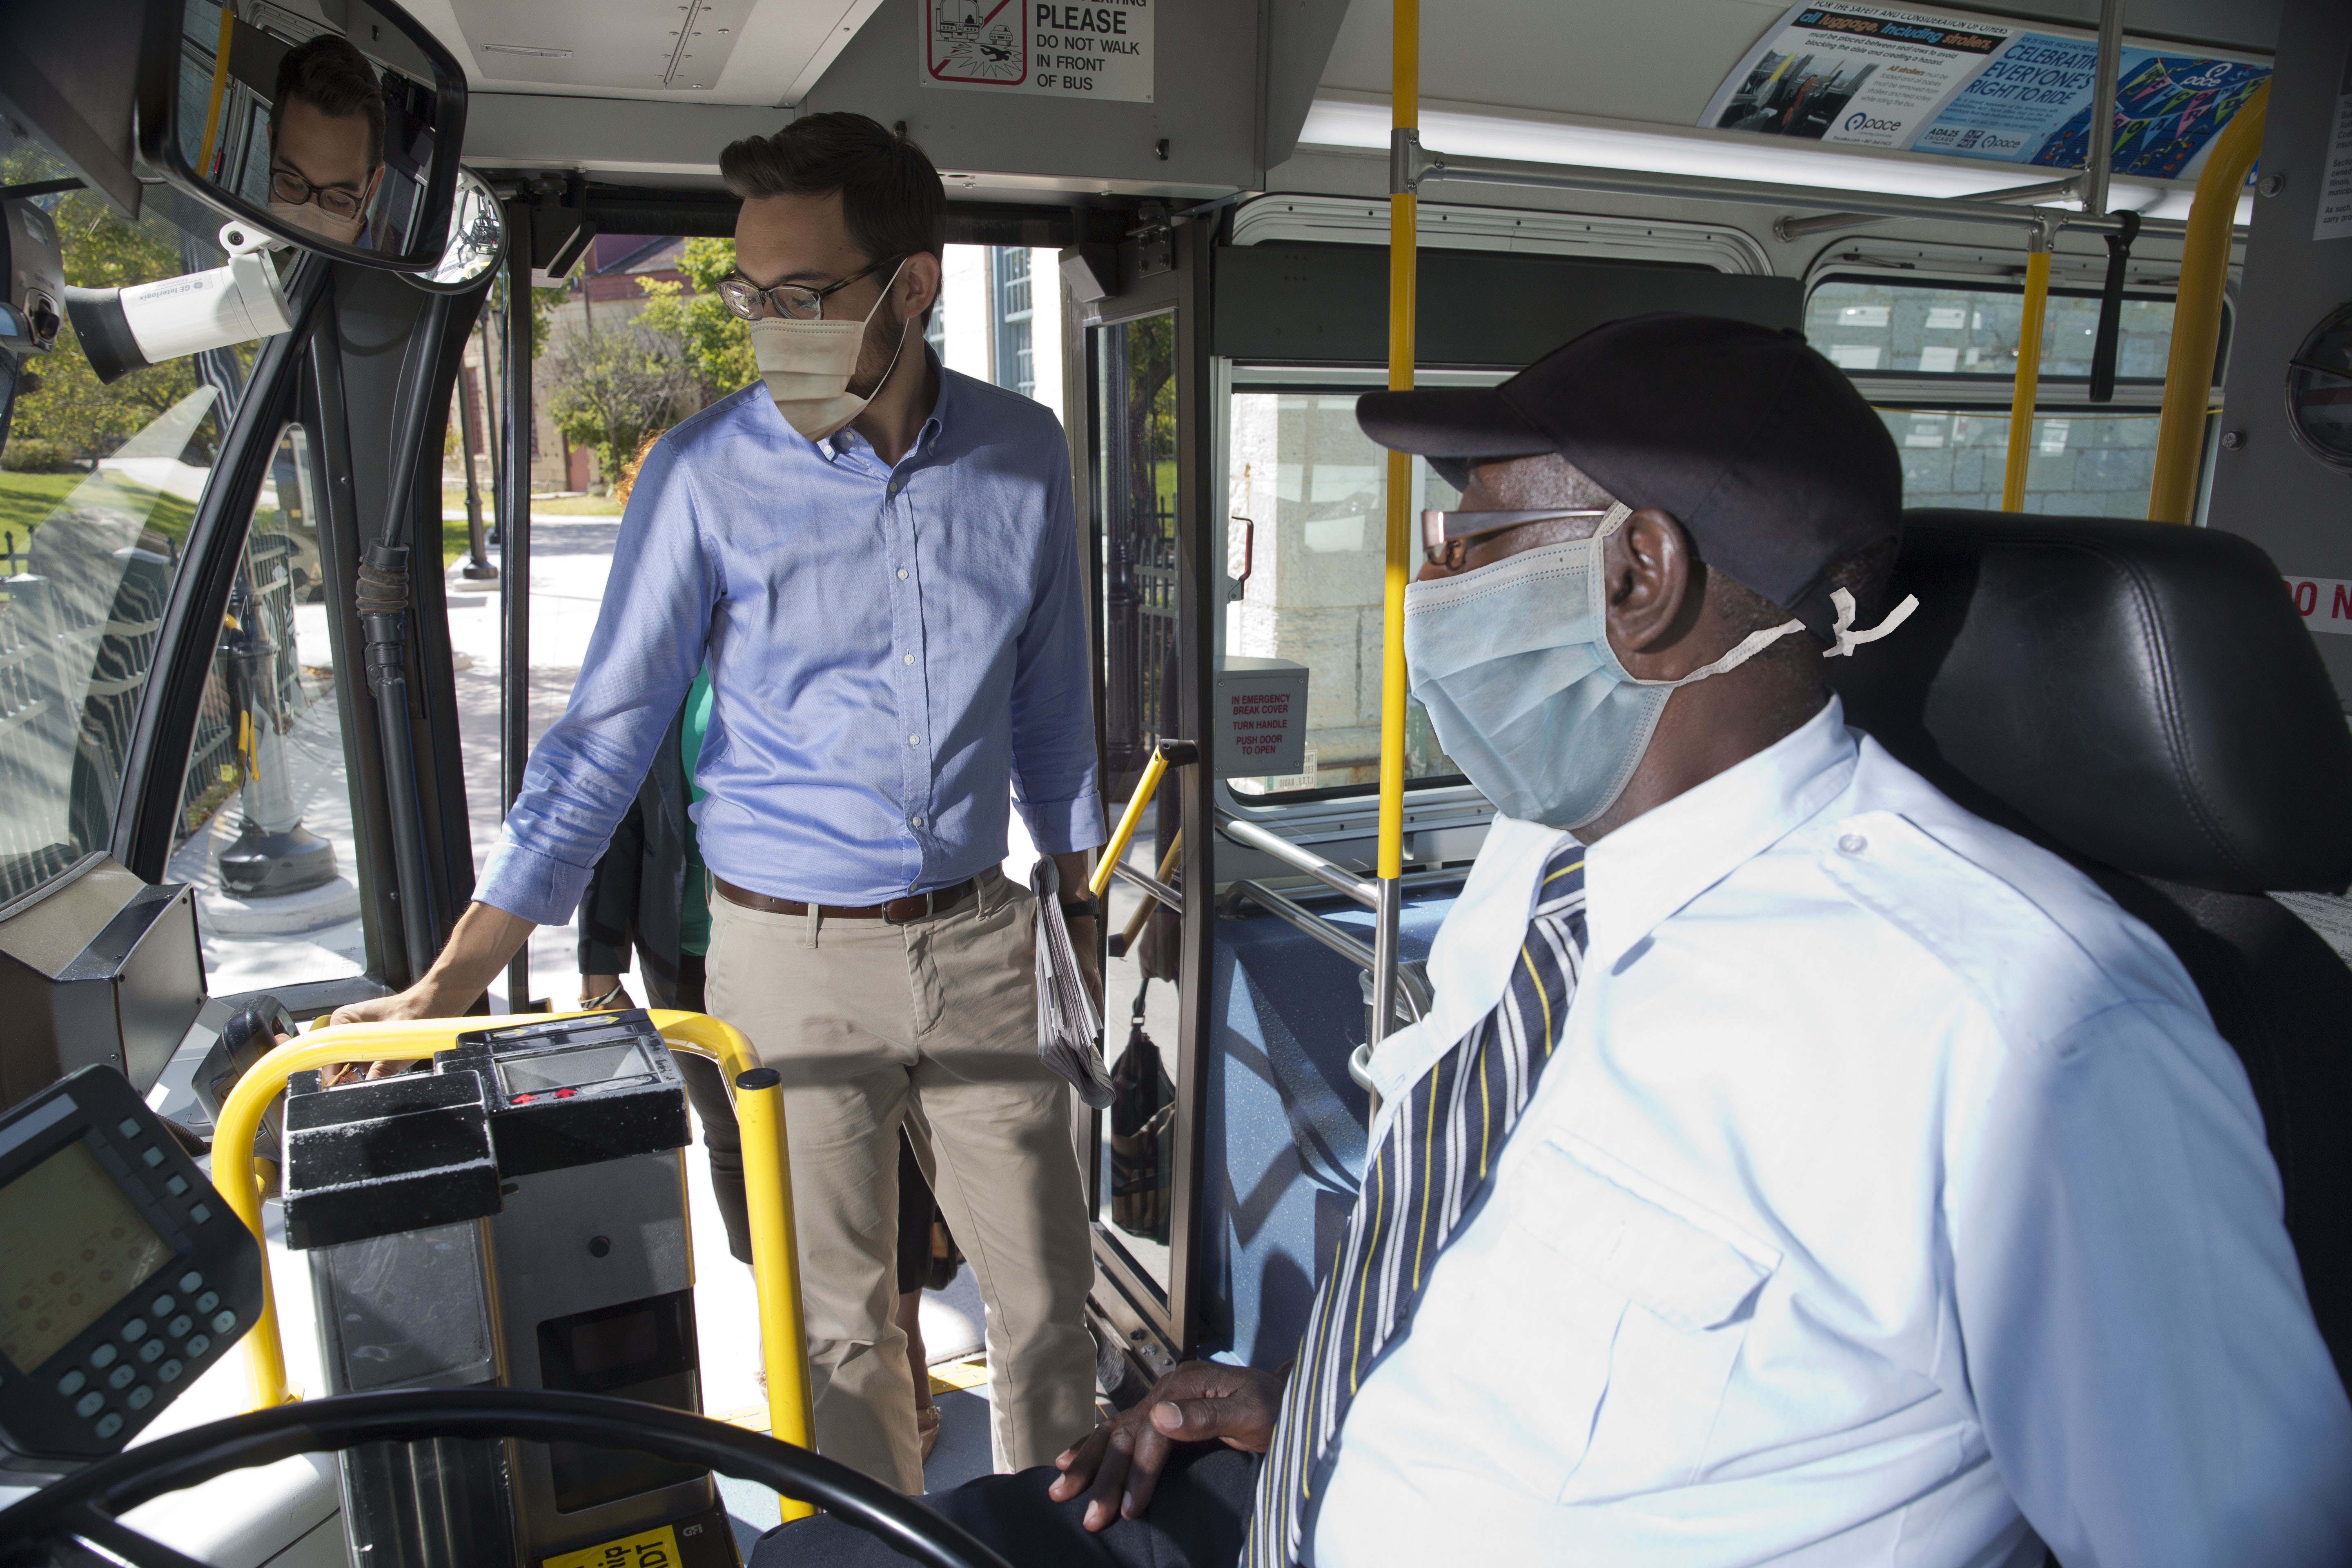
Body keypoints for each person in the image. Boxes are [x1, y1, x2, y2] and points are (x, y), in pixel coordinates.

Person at [753, 314, 2352, 1567]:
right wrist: (1317, 1400)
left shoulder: (2022, 1034)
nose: (1423, 592)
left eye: (1466, 552)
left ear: (1640, 574)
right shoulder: (1546, 869)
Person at [330, 111, 1107, 1494]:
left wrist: (1080, 888)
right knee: (838, 1336)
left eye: (803, 299)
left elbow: (1050, 706)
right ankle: (871, 1545)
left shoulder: (1024, 454)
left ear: (912, 286)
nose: (769, 330)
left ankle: (1059, 1540)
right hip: (785, 955)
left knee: (1050, 1312)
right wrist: (451, 982)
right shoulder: (700, 478)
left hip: (983, 940)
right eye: (753, 298)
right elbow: (600, 744)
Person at [575, 675, 951, 1460]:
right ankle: (780, 1318)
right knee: (736, 1145)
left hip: (824, 939)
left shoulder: (810, 636)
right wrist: (598, 960)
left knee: (884, 1131)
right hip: (683, 948)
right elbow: (614, 812)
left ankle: (900, 1328)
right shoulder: (662, 663)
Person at [265, 33, 385, 246]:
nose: (308, 225)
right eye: (292, 183)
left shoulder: (378, 280)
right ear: (270, 145)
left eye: (339, 200)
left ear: (373, 187)